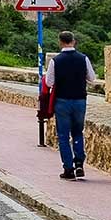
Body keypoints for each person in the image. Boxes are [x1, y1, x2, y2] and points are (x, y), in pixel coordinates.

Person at [43, 30, 97, 180]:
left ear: (60, 42)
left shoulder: (56, 61)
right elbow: (92, 78)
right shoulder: (83, 58)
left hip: (62, 101)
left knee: (63, 136)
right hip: (80, 100)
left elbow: (49, 82)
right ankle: (79, 163)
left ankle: (68, 169)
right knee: (78, 132)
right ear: (73, 41)